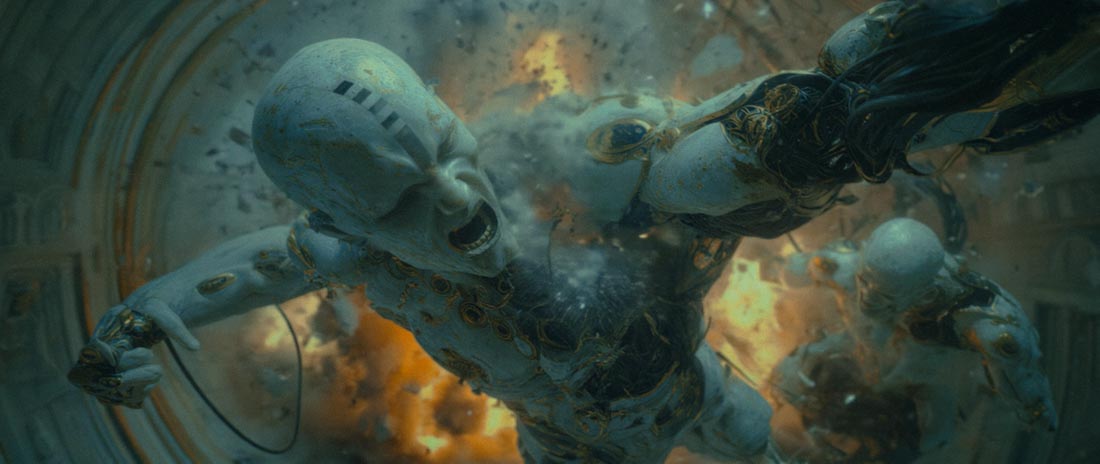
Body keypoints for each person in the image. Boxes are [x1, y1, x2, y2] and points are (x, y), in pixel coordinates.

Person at [68, 1, 1096, 462]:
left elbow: (673, 158)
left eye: (445, 146)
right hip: (573, 445)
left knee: (750, 439)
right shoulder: (356, 251)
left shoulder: (553, 161)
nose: (456, 199)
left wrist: (826, 127)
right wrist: (141, 316)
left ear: (446, 109)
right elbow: (263, 264)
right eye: (400, 200)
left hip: (686, 385)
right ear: (344, 218)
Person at [774, 218, 1056, 462]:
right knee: (786, 376)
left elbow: (1023, 375)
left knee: (937, 435)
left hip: (920, 367)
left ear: (927, 294)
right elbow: (794, 270)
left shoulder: (985, 323)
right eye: (865, 281)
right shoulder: (850, 265)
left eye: (883, 294)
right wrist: (785, 269)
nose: (867, 297)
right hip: (863, 345)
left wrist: (1035, 411)